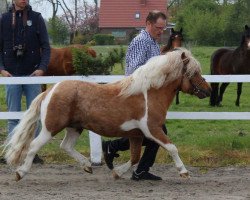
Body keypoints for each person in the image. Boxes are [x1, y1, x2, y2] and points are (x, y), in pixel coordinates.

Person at [102, 10, 168, 181]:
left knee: (152, 132)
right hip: (136, 94)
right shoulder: (141, 41)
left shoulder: (153, 42)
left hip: (146, 95)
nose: (161, 31)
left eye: (163, 28)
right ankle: (140, 170)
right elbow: (133, 70)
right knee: (158, 132)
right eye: (158, 28)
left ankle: (113, 148)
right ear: (148, 23)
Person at [0, 0, 50, 164]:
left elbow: (46, 47)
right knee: (13, 115)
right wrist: (1, 69)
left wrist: (42, 68)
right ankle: (12, 153)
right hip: (11, 74)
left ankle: (31, 153)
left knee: (34, 115)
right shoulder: (4, 19)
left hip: (32, 74)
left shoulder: (36, 18)